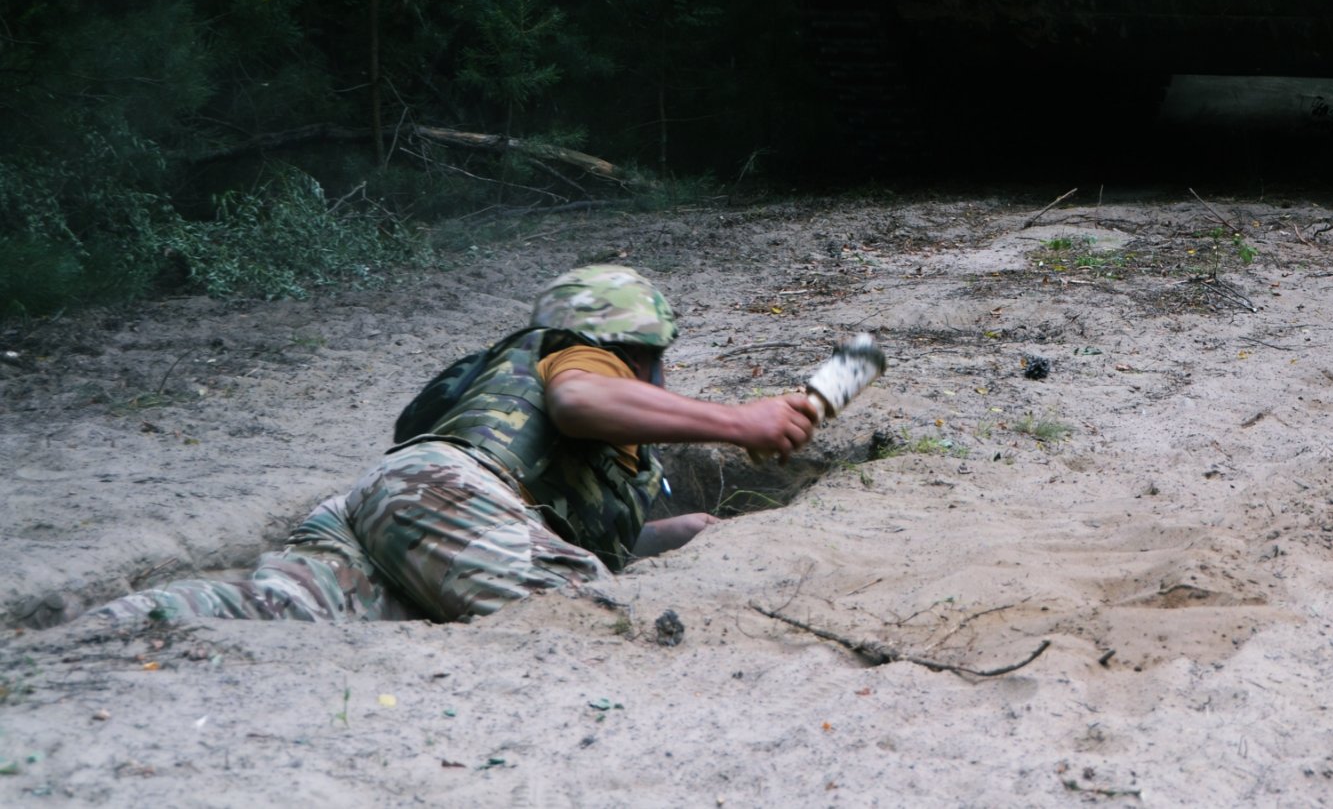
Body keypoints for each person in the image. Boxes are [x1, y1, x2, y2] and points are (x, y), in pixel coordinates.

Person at [91, 266, 818, 624]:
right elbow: (575, 401)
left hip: (388, 506)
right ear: (640, 345)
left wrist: (674, 532)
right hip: (449, 495)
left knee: (271, 608)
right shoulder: (577, 354)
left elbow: (555, 522)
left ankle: (93, 632)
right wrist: (739, 422)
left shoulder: (568, 409)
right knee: (589, 619)